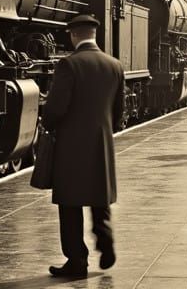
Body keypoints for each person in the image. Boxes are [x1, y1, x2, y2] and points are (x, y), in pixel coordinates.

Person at [43, 15, 125, 279]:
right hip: (101, 143)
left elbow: (56, 108)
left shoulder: (69, 64)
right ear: (94, 34)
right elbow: (119, 111)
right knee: (100, 197)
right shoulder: (114, 65)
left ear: (74, 35)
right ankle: (106, 244)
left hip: (71, 144)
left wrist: (48, 123)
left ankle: (77, 260)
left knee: (70, 203)